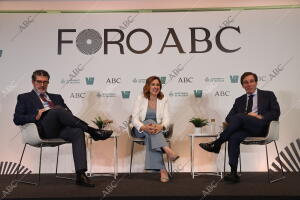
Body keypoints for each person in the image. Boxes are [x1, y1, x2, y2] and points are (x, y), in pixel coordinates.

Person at [13, 69, 113, 187]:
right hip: (41, 130)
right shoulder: (24, 97)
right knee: (57, 110)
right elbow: (17, 119)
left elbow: (68, 114)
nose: (42, 85)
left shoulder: (57, 97)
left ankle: (80, 175)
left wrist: (60, 111)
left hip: (60, 129)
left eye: (45, 82)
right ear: (33, 82)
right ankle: (93, 131)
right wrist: (36, 115)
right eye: (39, 82)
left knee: (77, 131)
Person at [199, 72, 280, 183]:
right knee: (233, 136)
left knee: (240, 117)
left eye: (251, 81)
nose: (249, 84)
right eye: (245, 82)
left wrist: (258, 116)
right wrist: (244, 117)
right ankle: (233, 173)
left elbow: (276, 112)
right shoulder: (239, 100)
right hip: (245, 130)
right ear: (242, 85)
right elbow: (228, 118)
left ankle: (217, 144)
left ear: (256, 82)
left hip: (262, 128)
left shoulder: (268, 95)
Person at [132, 76, 179, 183]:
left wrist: (160, 126)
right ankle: (167, 150)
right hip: (140, 130)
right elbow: (134, 118)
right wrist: (143, 126)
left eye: (158, 85)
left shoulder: (164, 99)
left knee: (152, 130)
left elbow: (167, 119)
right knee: (149, 122)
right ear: (148, 86)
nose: (155, 87)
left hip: (157, 131)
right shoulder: (140, 98)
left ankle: (163, 170)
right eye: (153, 84)